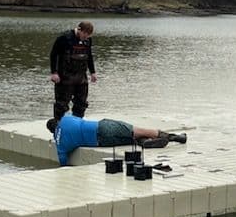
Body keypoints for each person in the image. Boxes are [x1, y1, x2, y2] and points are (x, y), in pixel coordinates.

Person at [47, 113, 187, 167]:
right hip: (102, 126)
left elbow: (63, 163)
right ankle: (174, 137)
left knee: (130, 141)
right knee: (139, 131)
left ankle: (143, 143)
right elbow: (78, 119)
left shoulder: (60, 145)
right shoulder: (65, 119)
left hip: (101, 142)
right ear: (57, 121)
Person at [49, 21, 97, 122]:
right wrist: (54, 72)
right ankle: (58, 128)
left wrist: (92, 72)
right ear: (79, 30)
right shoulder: (64, 38)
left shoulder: (88, 40)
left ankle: (77, 126)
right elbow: (54, 55)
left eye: (88, 35)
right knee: (61, 105)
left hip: (81, 78)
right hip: (65, 77)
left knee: (81, 104)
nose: (86, 37)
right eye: (84, 34)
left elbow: (89, 56)